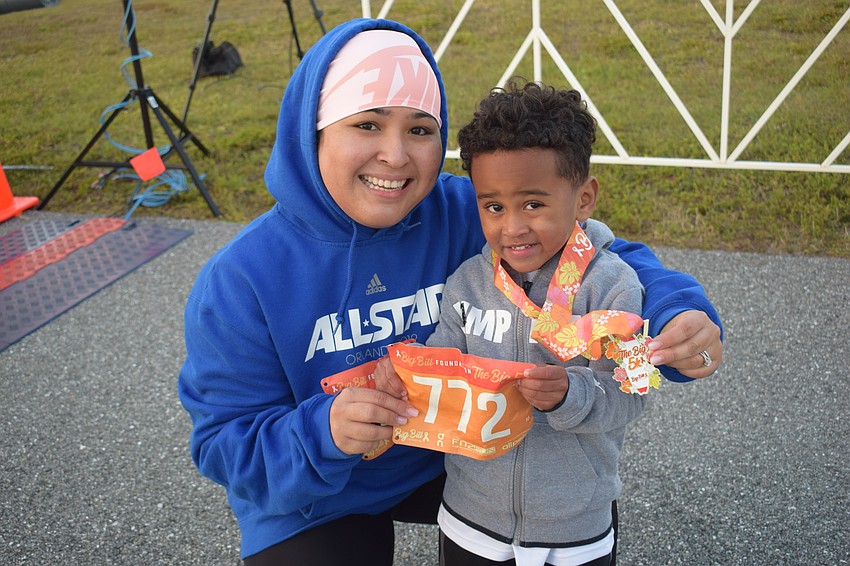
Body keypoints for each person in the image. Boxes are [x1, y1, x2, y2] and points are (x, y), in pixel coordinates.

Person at [177, 18, 722, 565]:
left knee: (562, 495)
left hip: (458, 459)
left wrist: (678, 315)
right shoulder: (240, 279)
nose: (395, 155)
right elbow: (226, 444)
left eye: (419, 129)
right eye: (366, 125)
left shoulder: (474, 212)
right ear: (312, 131)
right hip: (320, 492)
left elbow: (600, 254)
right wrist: (324, 431)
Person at [377, 79, 651, 565]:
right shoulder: (466, 283)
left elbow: (632, 393)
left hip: (577, 523)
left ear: (584, 197)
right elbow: (442, 362)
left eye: (534, 204)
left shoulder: (615, 288)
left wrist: (574, 394)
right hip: (471, 516)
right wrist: (405, 374)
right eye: (494, 206)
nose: (513, 227)